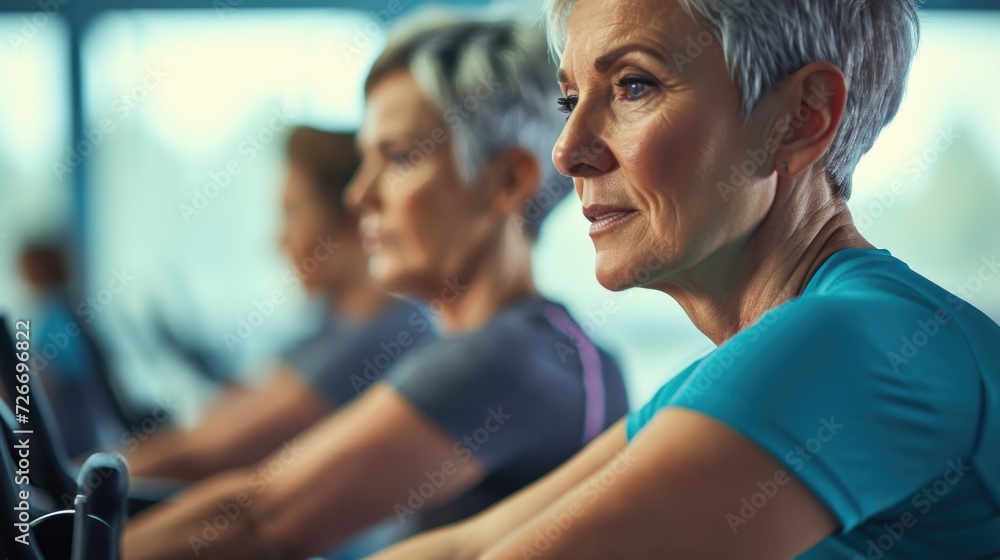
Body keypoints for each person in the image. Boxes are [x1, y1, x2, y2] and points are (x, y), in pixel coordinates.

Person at [369, 1, 1000, 559]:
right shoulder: (770, 351)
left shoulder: (856, 340)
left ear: (802, 117)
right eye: (569, 100)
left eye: (633, 85)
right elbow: (470, 544)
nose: (565, 150)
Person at [121, 18, 628, 560]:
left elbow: (260, 519)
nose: (359, 195)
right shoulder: (541, 345)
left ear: (508, 181)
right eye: (367, 161)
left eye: (401, 158)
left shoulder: (510, 358)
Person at [126, 127, 434, 481]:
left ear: (352, 220)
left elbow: (206, 451)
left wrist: (75, 484)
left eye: (292, 212)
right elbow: (230, 414)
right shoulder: (334, 326)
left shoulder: (381, 336)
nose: (280, 240)